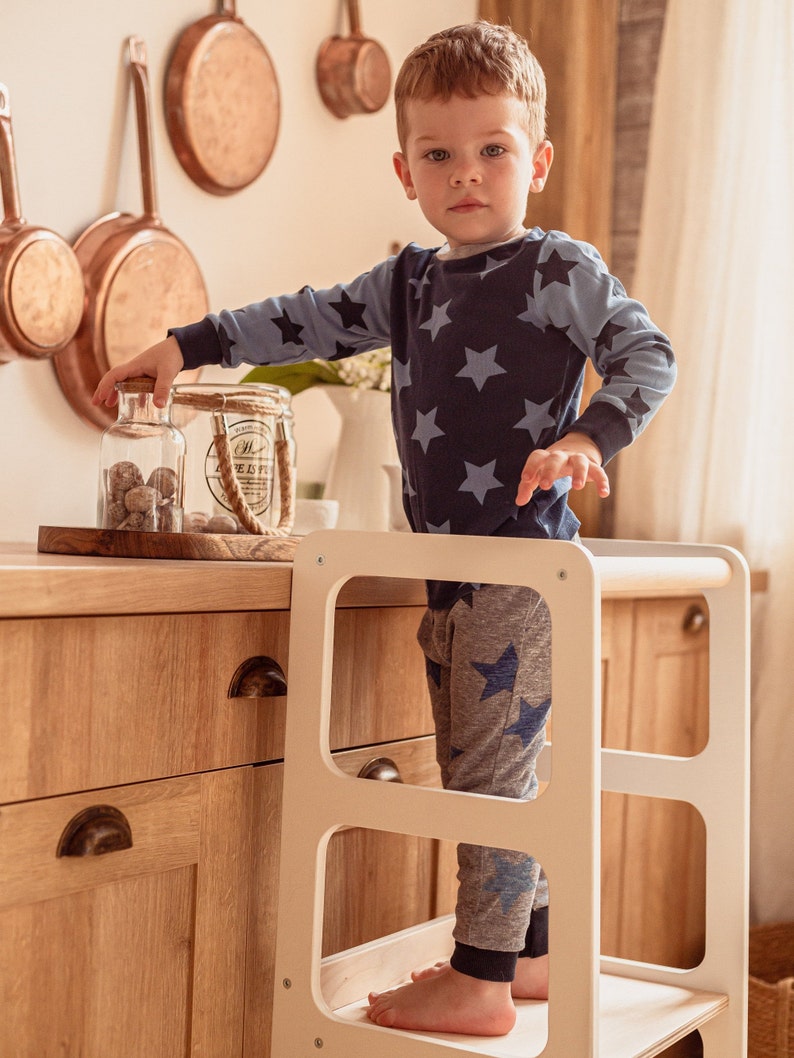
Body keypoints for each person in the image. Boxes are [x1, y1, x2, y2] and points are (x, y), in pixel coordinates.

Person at [93, 20, 676, 1038]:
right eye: (440, 154)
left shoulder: (554, 266)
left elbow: (645, 352)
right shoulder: (405, 284)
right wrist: (181, 344)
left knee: (490, 781)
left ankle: (481, 975)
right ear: (404, 169)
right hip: (441, 574)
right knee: (479, 765)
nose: (467, 174)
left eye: (493, 149)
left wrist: (588, 435)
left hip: (520, 569)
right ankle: (529, 951)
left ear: (534, 159)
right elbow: (299, 319)